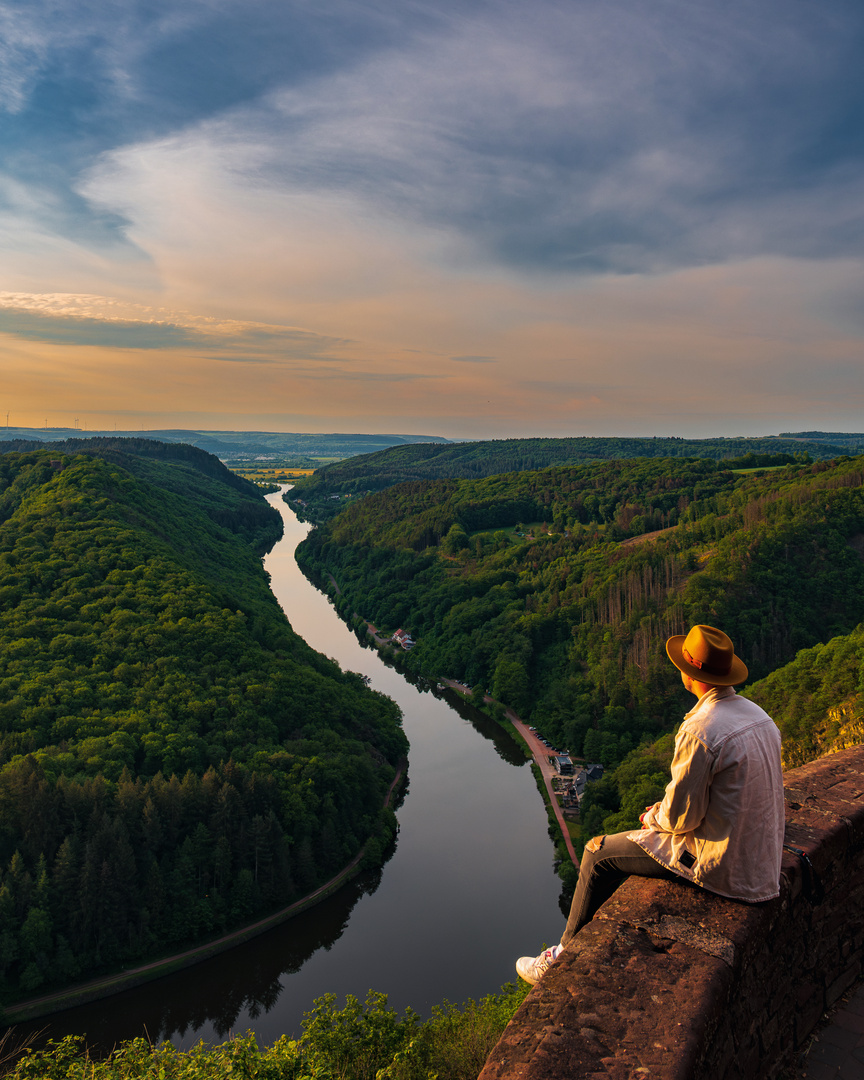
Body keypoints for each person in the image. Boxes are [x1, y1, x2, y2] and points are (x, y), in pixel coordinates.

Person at [516, 624, 784, 985]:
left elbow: (680, 817)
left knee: (597, 853)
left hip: (721, 866)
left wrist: (652, 815)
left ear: (689, 672)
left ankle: (561, 958)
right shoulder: (758, 716)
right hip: (761, 862)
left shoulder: (701, 729)